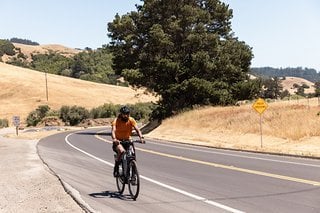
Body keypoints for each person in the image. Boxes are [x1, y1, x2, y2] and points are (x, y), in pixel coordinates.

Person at [111, 105, 145, 177]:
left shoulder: (131, 120)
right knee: (122, 151)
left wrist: (141, 137)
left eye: (127, 114)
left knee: (132, 154)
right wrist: (114, 139)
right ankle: (116, 168)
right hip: (118, 141)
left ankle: (133, 175)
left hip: (127, 140)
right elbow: (113, 130)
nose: (126, 116)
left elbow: (137, 129)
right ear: (121, 114)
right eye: (124, 114)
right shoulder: (116, 121)